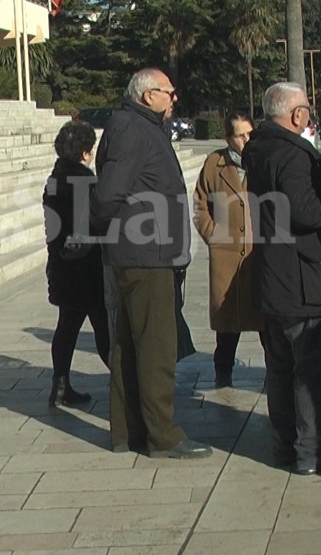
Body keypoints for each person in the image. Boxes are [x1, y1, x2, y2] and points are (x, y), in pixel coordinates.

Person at [92, 67, 210, 459]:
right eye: (168, 92)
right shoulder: (131, 128)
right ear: (148, 96)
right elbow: (109, 193)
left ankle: (128, 431)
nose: (174, 98)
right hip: (145, 254)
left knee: (129, 345)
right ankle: (164, 436)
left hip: (145, 251)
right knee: (157, 347)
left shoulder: (140, 125)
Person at [244, 82, 321, 475]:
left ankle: (285, 447)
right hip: (302, 280)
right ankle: (312, 451)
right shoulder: (292, 154)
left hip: (274, 277)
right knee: (312, 369)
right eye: (308, 109)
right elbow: (308, 210)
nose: (309, 115)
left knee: (280, 368)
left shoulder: (260, 148)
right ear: (296, 115)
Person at [42, 120, 111, 408]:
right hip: (88, 268)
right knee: (104, 328)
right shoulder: (86, 183)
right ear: (85, 152)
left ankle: (60, 385)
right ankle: (124, 383)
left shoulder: (54, 180)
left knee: (67, 326)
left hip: (61, 264)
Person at [192, 111, 261, 389]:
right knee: (227, 323)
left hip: (257, 255)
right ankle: (223, 372)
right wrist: (213, 235)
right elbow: (200, 205)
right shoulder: (214, 164)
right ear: (228, 138)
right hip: (226, 255)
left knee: (265, 321)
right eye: (240, 135)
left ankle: (278, 374)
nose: (246, 139)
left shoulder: (263, 160)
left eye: (249, 133)